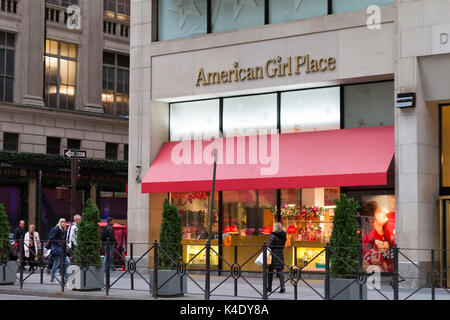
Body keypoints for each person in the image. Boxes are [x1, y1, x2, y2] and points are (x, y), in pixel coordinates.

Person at [361, 201, 395, 272]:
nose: (383, 212)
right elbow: (367, 254)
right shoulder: (369, 236)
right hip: (384, 274)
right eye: (379, 211)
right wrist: (383, 263)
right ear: (372, 220)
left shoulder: (387, 229)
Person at [267, 222, 287, 294]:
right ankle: (283, 286)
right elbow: (283, 245)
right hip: (280, 254)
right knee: (280, 271)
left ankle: (269, 287)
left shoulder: (273, 235)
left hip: (273, 254)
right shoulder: (283, 235)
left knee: (270, 271)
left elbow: (270, 245)